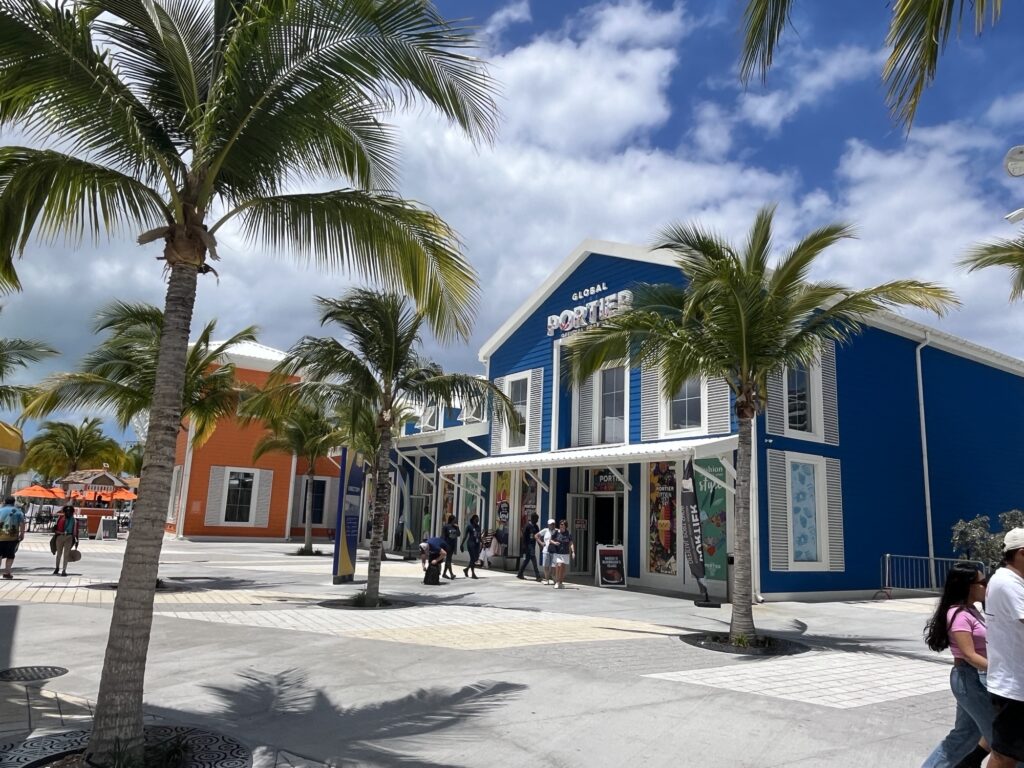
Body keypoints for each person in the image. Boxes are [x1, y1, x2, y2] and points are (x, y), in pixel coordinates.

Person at [921, 563, 992, 768]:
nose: (986, 586)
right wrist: (1002, 670)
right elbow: (969, 655)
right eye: (983, 582)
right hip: (969, 679)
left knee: (965, 735)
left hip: (972, 678)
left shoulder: (971, 610)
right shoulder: (959, 614)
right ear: (968, 586)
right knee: (1002, 741)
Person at [985, 527, 1024, 768]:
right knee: (1005, 754)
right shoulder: (1008, 583)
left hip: (1014, 682)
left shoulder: (1012, 581)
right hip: (1016, 686)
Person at [0, 495, 25, 580]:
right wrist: (22, 534)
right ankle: (7, 572)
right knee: (10, 555)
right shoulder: (18, 512)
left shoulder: (0, 510)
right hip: (12, 537)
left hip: (0, 537)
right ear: (14, 503)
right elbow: (22, 524)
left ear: (4, 502)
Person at [53, 505, 79, 577]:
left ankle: (64, 570)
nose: (68, 512)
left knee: (66, 554)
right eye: (67, 511)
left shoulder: (74, 520)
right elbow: (55, 528)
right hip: (60, 536)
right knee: (59, 554)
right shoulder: (60, 518)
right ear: (64, 511)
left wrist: (77, 540)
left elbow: (76, 531)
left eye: (70, 511)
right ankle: (57, 568)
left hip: (69, 537)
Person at [551, 519, 575, 589]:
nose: (561, 526)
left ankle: (561, 582)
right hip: (558, 553)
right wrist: (554, 543)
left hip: (565, 553)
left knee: (563, 569)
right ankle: (557, 582)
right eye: (560, 524)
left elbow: (571, 543)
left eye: (562, 525)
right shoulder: (556, 532)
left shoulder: (568, 533)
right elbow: (550, 540)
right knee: (559, 565)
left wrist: (573, 552)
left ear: (565, 526)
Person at [517, 513, 542, 581]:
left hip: (533, 545)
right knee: (534, 559)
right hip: (528, 545)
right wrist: (524, 546)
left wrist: (540, 545)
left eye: (537, 519)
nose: (537, 520)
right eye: (536, 519)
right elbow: (524, 537)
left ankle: (520, 573)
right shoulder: (527, 526)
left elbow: (537, 537)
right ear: (532, 518)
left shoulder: (536, 527)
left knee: (527, 560)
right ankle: (538, 576)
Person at [461, 514, 482, 579]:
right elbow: (465, 536)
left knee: (475, 559)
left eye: (478, 520)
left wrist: (482, 543)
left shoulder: (478, 527)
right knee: (473, 558)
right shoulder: (469, 527)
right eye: (476, 520)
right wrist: (462, 544)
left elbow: (479, 536)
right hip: (471, 544)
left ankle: (466, 569)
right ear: (473, 520)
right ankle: (473, 573)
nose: (477, 521)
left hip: (477, 544)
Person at [536, 518, 556, 584]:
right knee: (546, 566)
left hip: (554, 551)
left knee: (553, 566)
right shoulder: (545, 530)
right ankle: (547, 579)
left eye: (553, 524)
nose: (552, 525)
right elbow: (536, 536)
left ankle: (553, 578)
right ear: (548, 525)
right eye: (551, 524)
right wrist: (541, 543)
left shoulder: (557, 531)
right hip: (546, 550)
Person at [441, 514, 460, 580]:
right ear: (452, 520)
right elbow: (443, 536)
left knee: (448, 559)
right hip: (447, 545)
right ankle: (451, 574)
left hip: (452, 545)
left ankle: (444, 573)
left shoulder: (455, 527)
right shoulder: (446, 527)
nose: (455, 521)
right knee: (448, 559)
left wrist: (457, 527)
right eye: (455, 520)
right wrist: (442, 545)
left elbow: (458, 534)